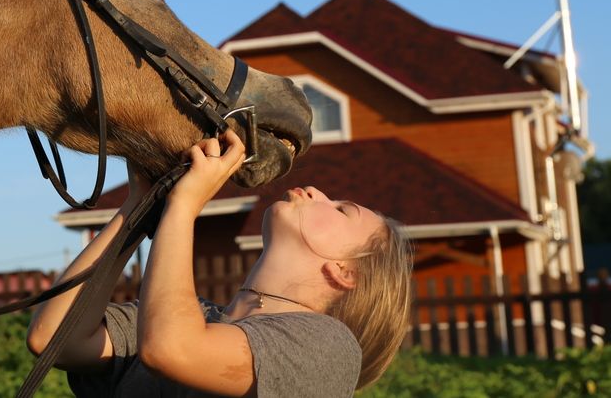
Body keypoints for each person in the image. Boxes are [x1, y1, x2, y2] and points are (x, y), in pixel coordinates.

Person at [27, 130, 413, 396]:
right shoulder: (194, 317)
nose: (318, 192)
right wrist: (137, 206)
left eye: (343, 210)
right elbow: (54, 340)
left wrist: (185, 206)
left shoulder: (329, 346)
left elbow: (172, 349)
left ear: (345, 272)